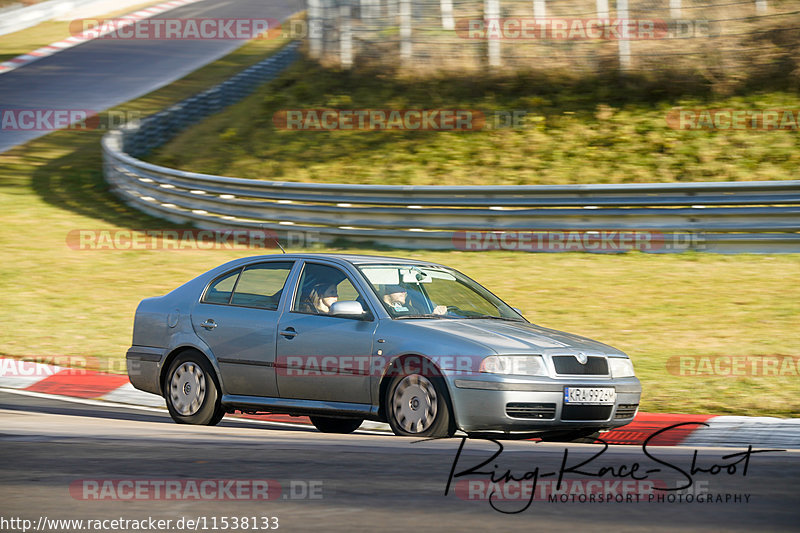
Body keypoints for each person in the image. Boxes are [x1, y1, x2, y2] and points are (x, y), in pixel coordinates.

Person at [382, 284, 447, 315]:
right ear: (386, 289)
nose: (404, 292)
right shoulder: (378, 309)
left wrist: (434, 315)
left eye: (405, 288)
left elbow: (419, 323)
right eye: (400, 288)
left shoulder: (410, 309)